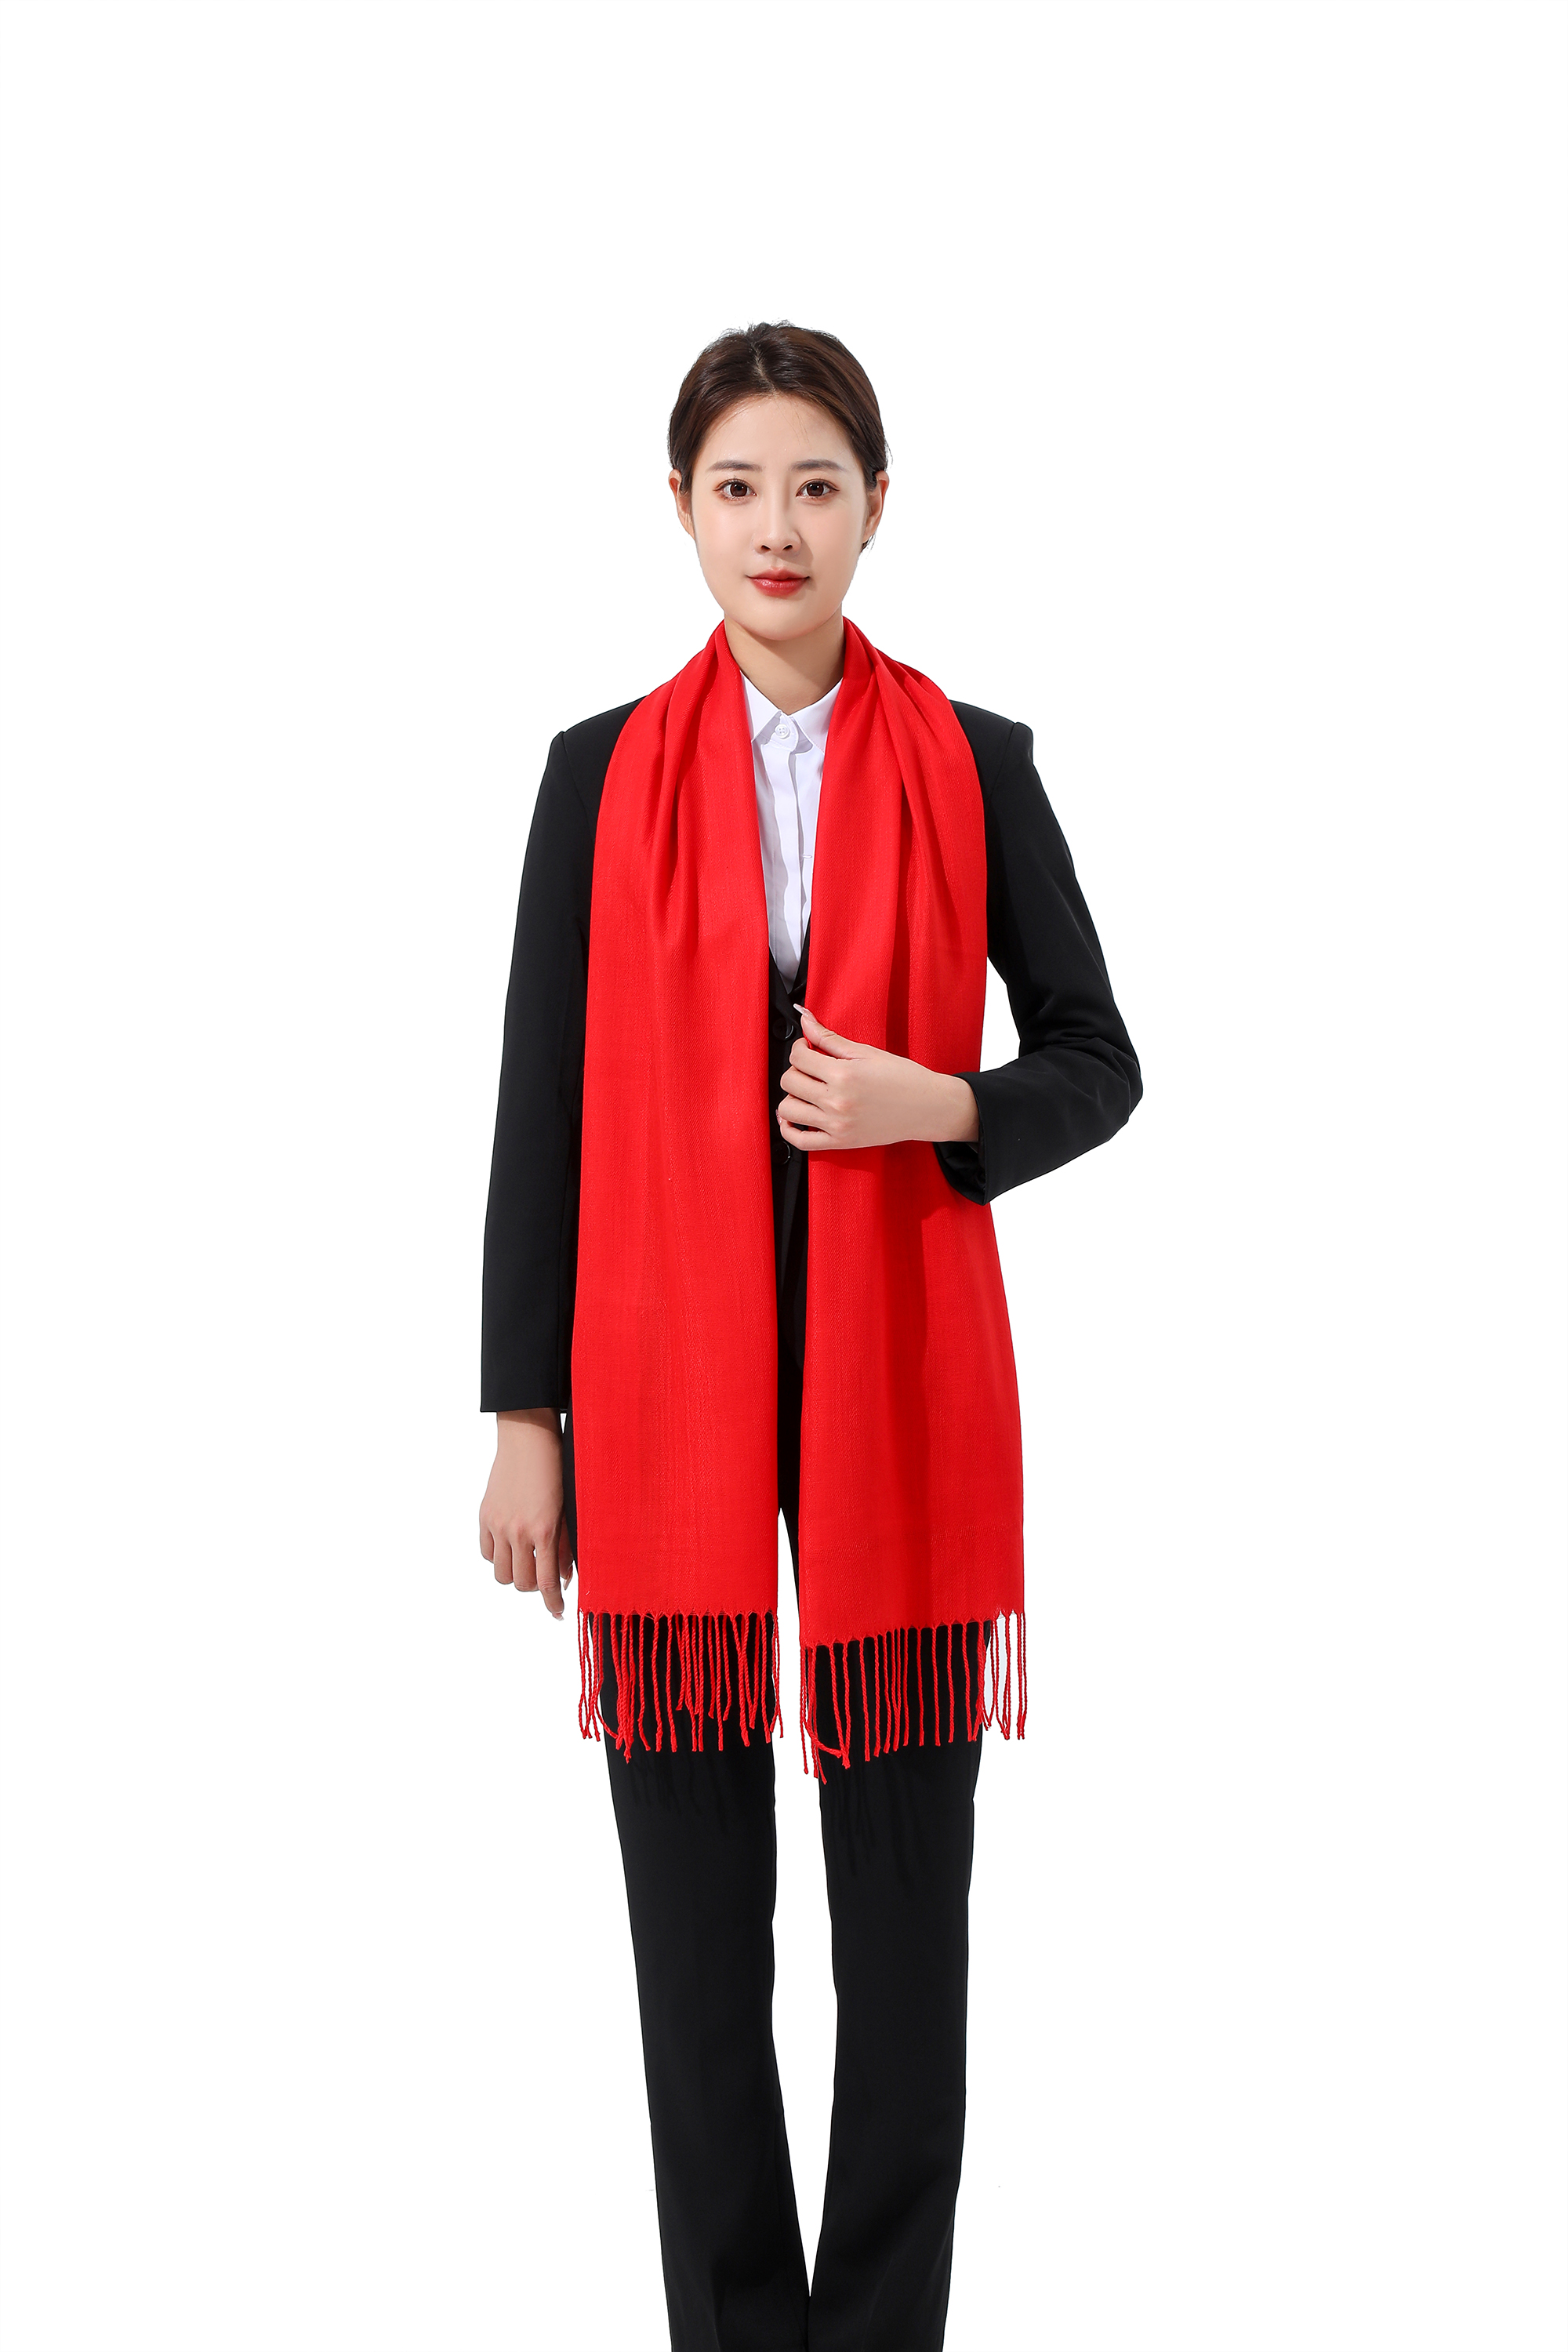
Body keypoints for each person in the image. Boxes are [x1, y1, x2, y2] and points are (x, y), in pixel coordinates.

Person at [478, 321, 1142, 2352]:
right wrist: (524, 1413)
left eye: (817, 486)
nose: (778, 526)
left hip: (903, 1390)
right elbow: (539, 1110)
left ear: (877, 509)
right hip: (660, 1378)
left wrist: (941, 1105)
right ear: (681, 511)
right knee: (693, 1941)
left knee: (905, 1936)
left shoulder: (977, 762)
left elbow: (1099, 1060)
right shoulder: (596, 775)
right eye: (739, 487)